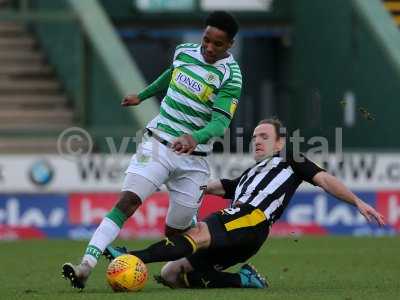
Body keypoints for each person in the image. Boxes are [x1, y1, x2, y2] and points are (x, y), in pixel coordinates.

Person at [62, 11, 242, 289]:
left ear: (229, 45)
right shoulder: (184, 51)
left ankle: (199, 269)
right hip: (158, 143)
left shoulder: (231, 77)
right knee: (128, 202)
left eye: (217, 44)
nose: (208, 47)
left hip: (194, 160)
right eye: (206, 39)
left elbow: (220, 122)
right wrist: (142, 95)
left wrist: (196, 137)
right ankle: (86, 265)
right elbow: (172, 76)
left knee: (177, 233)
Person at [104, 118, 385, 289]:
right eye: (254, 138)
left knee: (198, 233)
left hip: (252, 218)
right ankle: (243, 280)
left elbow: (325, 180)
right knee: (171, 274)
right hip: (243, 234)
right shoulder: (249, 175)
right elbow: (218, 186)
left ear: (279, 143)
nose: (257, 141)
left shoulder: (291, 159)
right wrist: (182, 183)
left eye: (264, 137)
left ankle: (131, 257)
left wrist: (357, 202)